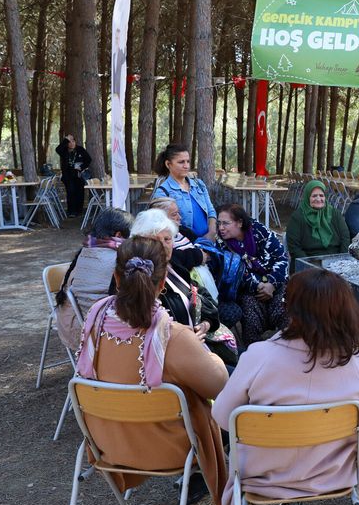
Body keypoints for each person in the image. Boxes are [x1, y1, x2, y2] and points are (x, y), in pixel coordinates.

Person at [212, 269, 359, 505]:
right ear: (346, 308)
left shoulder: (258, 356)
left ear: (290, 307)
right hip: (337, 474)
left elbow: (222, 416)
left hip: (263, 477)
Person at [75, 236, 229, 505]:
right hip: (172, 450)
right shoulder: (173, 338)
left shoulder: (94, 321)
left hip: (108, 445)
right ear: (161, 284)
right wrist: (213, 357)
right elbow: (220, 387)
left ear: (116, 278)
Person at [129, 209, 234, 366]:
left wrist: (206, 324)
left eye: (167, 239)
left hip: (199, 345)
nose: (164, 246)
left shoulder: (173, 266)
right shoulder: (136, 277)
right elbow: (142, 333)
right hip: (174, 361)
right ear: (140, 243)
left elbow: (203, 297)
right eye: (155, 240)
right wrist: (186, 341)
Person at [55, 208, 134, 351]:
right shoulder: (117, 259)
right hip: (97, 334)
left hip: (78, 324)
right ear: (118, 234)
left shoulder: (88, 249)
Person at [217, 203, 290, 346]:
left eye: (226, 223)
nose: (221, 228)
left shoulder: (260, 232)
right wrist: (261, 286)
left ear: (239, 223)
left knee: (285, 311)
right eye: (219, 223)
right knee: (251, 317)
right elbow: (235, 273)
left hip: (275, 283)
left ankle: (288, 352)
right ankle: (254, 355)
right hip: (249, 290)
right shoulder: (221, 243)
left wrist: (272, 284)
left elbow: (281, 257)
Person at [151, 144, 217, 241]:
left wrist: (211, 233)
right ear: (168, 164)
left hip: (209, 241)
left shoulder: (199, 184)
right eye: (181, 162)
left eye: (188, 161)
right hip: (185, 246)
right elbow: (164, 225)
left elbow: (211, 211)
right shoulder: (163, 192)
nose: (186, 166)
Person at [286, 181, 351, 263]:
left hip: (335, 260)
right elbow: (294, 247)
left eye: (321, 195)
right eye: (314, 196)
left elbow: (345, 238)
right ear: (307, 197)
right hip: (308, 262)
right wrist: (309, 264)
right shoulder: (297, 217)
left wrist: (341, 260)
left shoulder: (335, 214)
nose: (318, 199)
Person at [56, 134, 92, 217]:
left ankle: (79, 211)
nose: (71, 143)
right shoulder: (64, 150)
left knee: (79, 192)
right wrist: (65, 140)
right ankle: (71, 211)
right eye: (69, 142)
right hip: (68, 175)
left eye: (73, 141)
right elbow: (57, 149)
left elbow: (88, 159)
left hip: (79, 174)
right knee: (70, 191)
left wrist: (82, 167)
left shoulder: (80, 149)